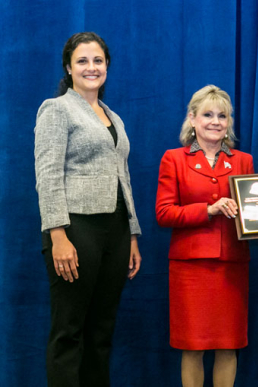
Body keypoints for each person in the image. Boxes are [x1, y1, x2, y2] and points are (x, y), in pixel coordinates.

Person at [156, 85, 258, 387]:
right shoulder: (173, 159)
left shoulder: (243, 161)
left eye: (222, 116)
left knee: (229, 346)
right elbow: (164, 213)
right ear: (192, 119)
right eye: (207, 115)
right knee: (192, 347)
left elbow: (253, 215)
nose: (215, 121)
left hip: (232, 267)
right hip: (190, 269)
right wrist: (209, 209)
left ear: (229, 122)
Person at [34, 32, 142, 387]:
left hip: (115, 232)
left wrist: (133, 235)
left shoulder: (113, 116)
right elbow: (48, 174)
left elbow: (122, 176)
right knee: (69, 330)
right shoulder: (57, 109)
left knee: (102, 329)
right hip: (76, 229)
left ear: (107, 66)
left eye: (98, 60)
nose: (91, 67)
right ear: (68, 67)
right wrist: (58, 235)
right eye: (82, 61)